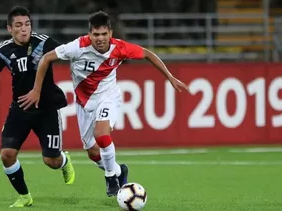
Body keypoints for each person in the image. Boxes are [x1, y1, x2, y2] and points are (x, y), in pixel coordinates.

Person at [18, 11, 189, 197]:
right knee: (92, 152)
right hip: (84, 104)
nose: (100, 38)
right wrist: (36, 90)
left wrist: (170, 77)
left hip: (108, 97)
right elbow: (46, 58)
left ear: (111, 33)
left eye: (104, 34)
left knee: (101, 134)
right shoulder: (77, 47)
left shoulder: (120, 48)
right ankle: (118, 171)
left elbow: (147, 54)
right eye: (96, 34)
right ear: (89, 35)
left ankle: (110, 178)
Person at [0, 5, 75, 207]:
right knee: (7, 155)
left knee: (51, 161)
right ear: (9, 29)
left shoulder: (44, 42)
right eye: (18, 25)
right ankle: (25, 196)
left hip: (46, 110)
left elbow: (69, 54)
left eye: (27, 24)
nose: (24, 29)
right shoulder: (4, 49)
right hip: (20, 108)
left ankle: (63, 161)